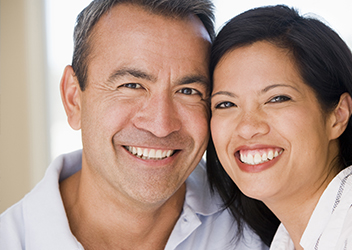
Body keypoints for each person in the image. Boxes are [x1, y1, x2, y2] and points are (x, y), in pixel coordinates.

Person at [0, 1, 267, 249]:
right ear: (73, 100)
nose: (161, 126)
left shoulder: (264, 225)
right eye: (132, 86)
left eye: (187, 91)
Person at [207, 5, 352, 250]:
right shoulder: (289, 239)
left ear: (337, 115)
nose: (247, 128)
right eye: (226, 103)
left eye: (277, 98)